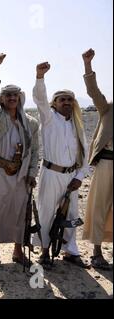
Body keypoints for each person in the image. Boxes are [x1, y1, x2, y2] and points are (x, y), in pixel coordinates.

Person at [0, 53, 39, 270]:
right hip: (0, 169)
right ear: (3, 99)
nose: (12, 98)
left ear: (20, 99)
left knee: (19, 211)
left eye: (15, 95)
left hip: (22, 173)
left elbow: (35, 151)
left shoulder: (30, 123)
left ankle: (17, 251)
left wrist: (32, 173)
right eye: (8, 95)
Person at [32, 61, 90, 269]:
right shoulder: (48, 119)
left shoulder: (77, 124)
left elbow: (85, 152)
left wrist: (79, 177)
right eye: (62, 99)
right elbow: (39, 99)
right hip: (51, 174)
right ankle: (45, 251)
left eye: (69, 100)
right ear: (54, 103)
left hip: (71, 177)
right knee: (47, 212)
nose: (66, 102)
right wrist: (40, 77)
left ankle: (70, 251)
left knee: (71, 214)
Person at [81, 49, 113, 270]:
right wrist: (88, 65)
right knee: (99, 205)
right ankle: (96, 252)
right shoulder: (106, 108)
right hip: (106, 163)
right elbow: (93, 91)